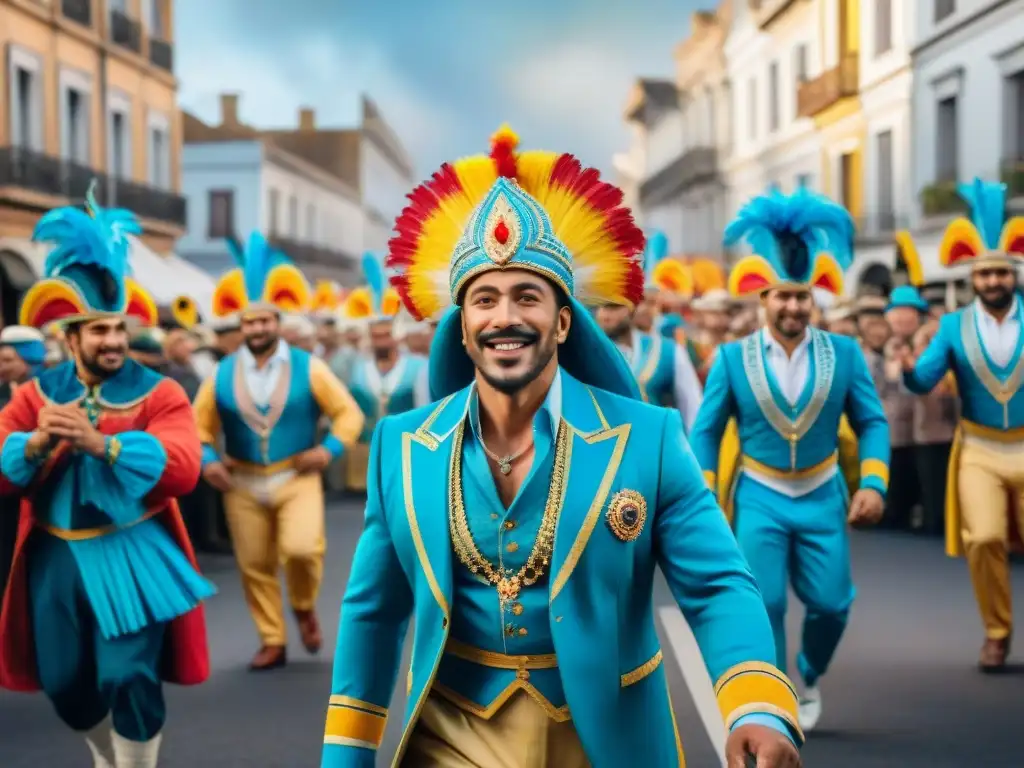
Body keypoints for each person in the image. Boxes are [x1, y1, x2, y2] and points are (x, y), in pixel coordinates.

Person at [321, 127, 802, 768]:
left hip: (604, 738)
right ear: (462, 328)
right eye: (484, 299)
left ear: (564, 319)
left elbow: (716, 585)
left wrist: (756, 706)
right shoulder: (403, 446)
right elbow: (373, 614)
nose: (505, 317)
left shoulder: (648, 439)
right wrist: (345, 759)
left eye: (528, 296)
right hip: (450, 736)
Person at [0, 188, 212, 768]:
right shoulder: (34, 396)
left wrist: (108, 445)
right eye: (98, 331)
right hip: (53, 558)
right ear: (69, 338)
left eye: (118, 328)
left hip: (133, 553)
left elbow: (185, 468)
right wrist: (37, 442)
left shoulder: (161, 391)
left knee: (128, 676)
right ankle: (108, 756)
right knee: (64, 683)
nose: (114, 340)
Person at [689, 186, 889, 733]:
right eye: (782, 296)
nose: (793, 306)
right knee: (767, 601)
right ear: (764, 299)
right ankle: (775, 699)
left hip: (823, 492)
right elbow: (705, 429)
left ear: (814, 299)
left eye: (801, 296)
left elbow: (871, 422)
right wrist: (704, 485)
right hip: (759, 494)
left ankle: (809, 670)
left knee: (832, 603)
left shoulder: (844, 353)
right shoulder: (732, 358)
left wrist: (873, 481)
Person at [193, 231, 364, 671]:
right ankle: (272, 638)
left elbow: (349, 414)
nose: (257, 329)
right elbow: (198, 427)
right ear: (241, 327)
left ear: (278, 322)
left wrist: (327, 451)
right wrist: (209, 460)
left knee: (303, 549)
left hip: (297, 475)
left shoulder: (311, 367)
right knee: (254, 563)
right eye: (250, 323)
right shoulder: (221, 373)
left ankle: (304, 605)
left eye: (265, 321)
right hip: (242, 480)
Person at [899, 178, 1024, 671]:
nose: (993, 281)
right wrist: (910, 370)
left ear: (1012, 273)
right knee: (985, 537)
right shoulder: (952, 326)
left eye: (1001, 272)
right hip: (979, 447)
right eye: (985, 274)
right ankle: (997, 631)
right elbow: (926, 378)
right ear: (972, 277)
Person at [338, 252, 430, 492]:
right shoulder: (357, 368)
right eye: (376, 336)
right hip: (365, 459)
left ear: (396, 335)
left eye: (385, 335)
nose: (381, 341)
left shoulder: (417, 367)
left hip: (406, 458)